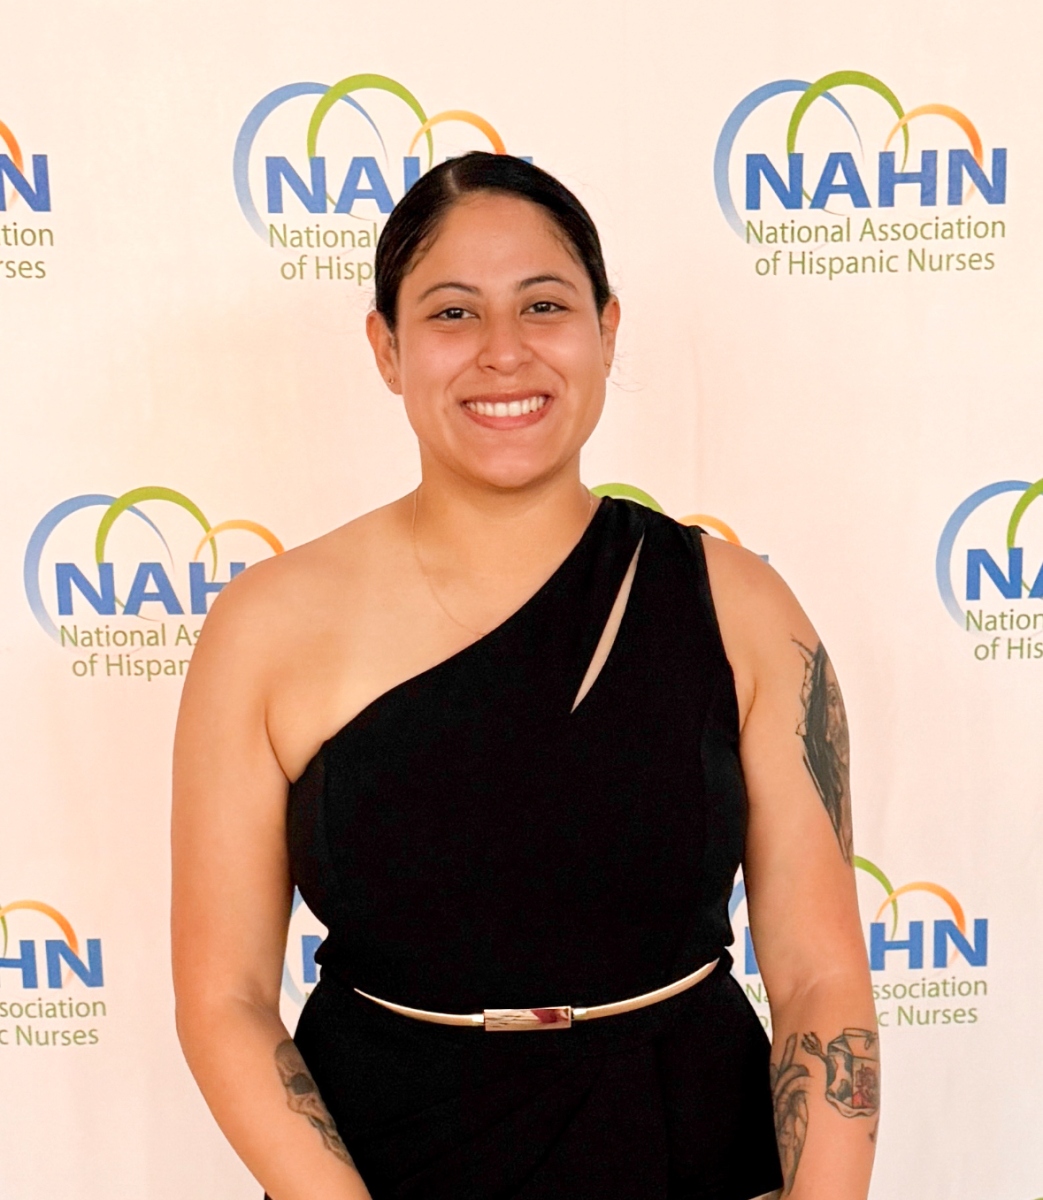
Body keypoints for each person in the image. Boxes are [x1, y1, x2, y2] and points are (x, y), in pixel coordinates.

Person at [172, 152, 877, 1200]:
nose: (503, 352)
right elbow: (223, 997)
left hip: (689, 1145)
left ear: (605, 329)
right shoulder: (264, 626)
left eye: (542, 305)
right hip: (378, 1160)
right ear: (386, 347)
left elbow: (820, 977)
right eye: (452, 313)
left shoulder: (740, 608)